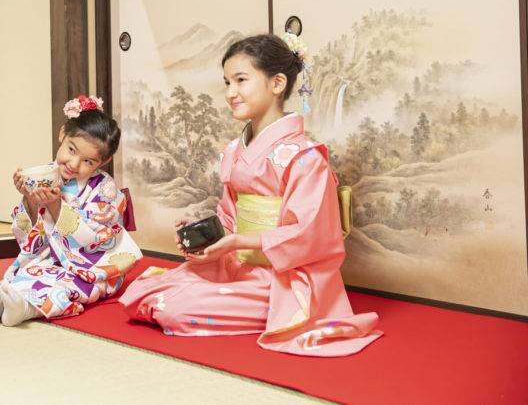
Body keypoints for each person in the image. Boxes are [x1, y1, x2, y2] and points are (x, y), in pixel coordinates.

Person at [119, 33, 382, 355]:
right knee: (146, 291)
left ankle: (269, 308)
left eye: (241, 80)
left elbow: (310, 234)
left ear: (277, 83)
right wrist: (208, 236)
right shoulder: (235, 150)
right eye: (227, 83)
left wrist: (238, 241)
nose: (230, 93)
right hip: (239, 262)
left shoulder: (305, 157)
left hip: (285, 277)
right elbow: (230, 216)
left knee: (173, 307)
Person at [0, 95, 142, 326]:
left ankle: (23, 308)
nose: (74, 164)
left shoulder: (105, 190)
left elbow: (95, 240)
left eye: (88, 161)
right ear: (63, 134)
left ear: (103, 162)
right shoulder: (47, 174)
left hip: (90, 268)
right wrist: (29, 198)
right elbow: (29, 239)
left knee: (61, 285)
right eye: (71, 150)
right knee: (24, 274)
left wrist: (55, 205)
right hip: (49, 259)